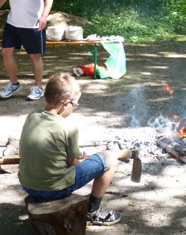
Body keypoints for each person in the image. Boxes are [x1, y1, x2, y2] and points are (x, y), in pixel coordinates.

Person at [18, 72, 121, 226]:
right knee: (110, 158)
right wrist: (82, 161)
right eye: (75, 104)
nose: (75, 108)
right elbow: (72, 163)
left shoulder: (32, 115)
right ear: (66, 103)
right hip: (53, 189)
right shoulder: (68, 127)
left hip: (27, 185)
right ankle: (92, 213)